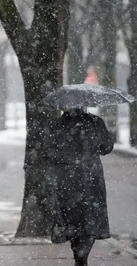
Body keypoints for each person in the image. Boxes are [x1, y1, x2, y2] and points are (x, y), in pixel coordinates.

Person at [49, 108, 114, 266]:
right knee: (90, 217)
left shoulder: (58, 125)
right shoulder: (95, 122)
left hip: (66, 178)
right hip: (91, 176)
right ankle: (83, 254)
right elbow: (106, 147)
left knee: (72, 217)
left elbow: (50, 153)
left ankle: (78, 254)